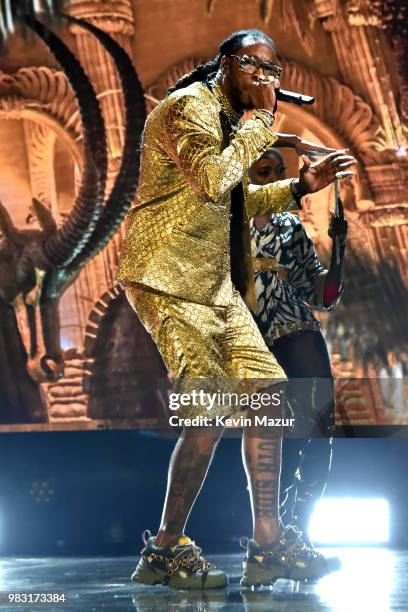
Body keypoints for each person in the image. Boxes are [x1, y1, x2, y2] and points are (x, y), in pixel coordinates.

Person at [117, 29, 355, 589]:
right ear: (224, 64)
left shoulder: (230, 120)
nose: (265, 79)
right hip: (166, 276)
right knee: (211, 407)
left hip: (215, 283)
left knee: (269, 396)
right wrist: (259, 125)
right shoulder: (186, 109)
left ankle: (268, 545)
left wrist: (299, 188)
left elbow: (233, 199)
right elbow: (213, 180)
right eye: (253, 66)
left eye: (273, 72)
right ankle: (165, 548)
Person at [249, 148, 347, 546]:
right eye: (263, 171)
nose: (274, 177)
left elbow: (321, 294)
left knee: (319, 423)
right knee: (269, 432)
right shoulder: (224, 224)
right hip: (249, 334)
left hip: (296, 326)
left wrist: (338, 247)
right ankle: (269, 529)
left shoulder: (291, 225)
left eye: (280, 171)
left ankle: (299, 523)